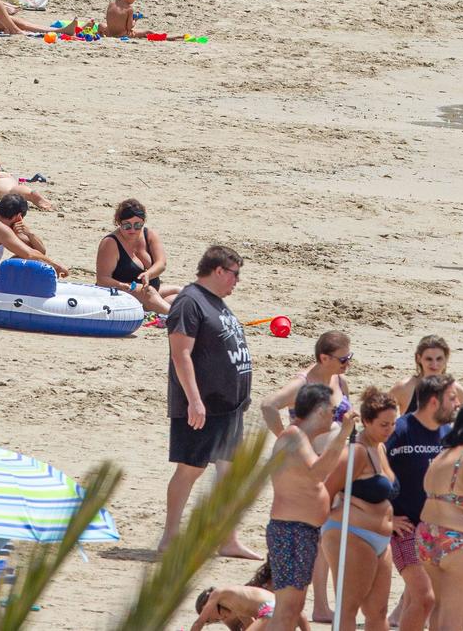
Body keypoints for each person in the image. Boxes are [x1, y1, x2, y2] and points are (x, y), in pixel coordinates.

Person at [164, 245, 258, 559]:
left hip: (229, 406)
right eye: (235, 274)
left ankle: (227, 539)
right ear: (218, 270)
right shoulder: (190, 301)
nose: (237, 281)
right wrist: (194, 400)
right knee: (190, 469)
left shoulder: (215, 303)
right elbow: (181, 354)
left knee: (230, 473)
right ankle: (170, 538)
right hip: (203, 404)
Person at [264, 384, 353, 631]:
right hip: (290, 531)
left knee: (292, 609)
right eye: (332, 411)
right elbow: (317, 472)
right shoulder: (293, 436)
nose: (334, 417)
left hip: (301, 531)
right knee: (287, 609)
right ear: (319, 410)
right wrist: (343, 435)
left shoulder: (301, 439)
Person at [322, 387, 400, 631]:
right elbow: (327, 490)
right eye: (384, 425)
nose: (390, 430)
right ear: (366, 422)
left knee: (378, 611)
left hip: (379, 539)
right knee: (348, 608)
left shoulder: (380, 447)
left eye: (393, 424)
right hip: (352, 534)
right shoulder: (356, 452)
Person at [386, 374, 460, 630]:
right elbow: (369, 471)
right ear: (432, 402)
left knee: (430, 601)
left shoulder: (448, 433)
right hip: (404, 528)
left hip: (437, 530)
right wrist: (388, 519)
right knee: (424, 596)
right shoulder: (399, 430)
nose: (457, 404)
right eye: (451, 399)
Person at [412, 395, 463, 631]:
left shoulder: (442, 455)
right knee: (455, 618)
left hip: (427, 535)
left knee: (440, 609)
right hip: (458, 538)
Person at [93, 198, 178, 315]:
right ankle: (176, 317)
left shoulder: (149, 235)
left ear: (143, 222)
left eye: (137, 225)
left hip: (151, 293)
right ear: (118, 222)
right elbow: (102, 279)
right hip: (121, 293)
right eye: (127, 226)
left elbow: (161, 264)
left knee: (182, 292)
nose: (132, 230)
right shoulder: (110, 243)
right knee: (150, 292)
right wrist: (120, 285)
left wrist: (149, 274)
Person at [390, 337, 452, 414]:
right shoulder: (404, 388)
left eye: (439, 359)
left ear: (446, 359)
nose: (434, 364)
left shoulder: (453, 390)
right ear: (418, 358)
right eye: (429, 359)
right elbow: (377, 415)